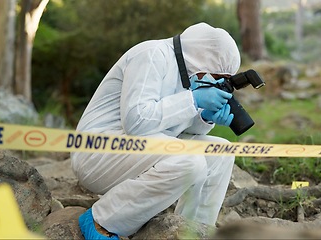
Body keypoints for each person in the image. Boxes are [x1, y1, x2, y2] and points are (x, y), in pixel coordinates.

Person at [71, 22, 241, 239]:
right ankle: (102, 221)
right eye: (217, 77)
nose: (216, 83)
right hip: (99, 153)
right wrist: (192, 99)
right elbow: (137, 122)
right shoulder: (151, 55)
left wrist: (204, 117)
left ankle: (193, 230)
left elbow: (175, 126)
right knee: (190, 161)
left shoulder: (189, 71)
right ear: (200, 60)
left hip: (139, 152)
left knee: (221, 151)